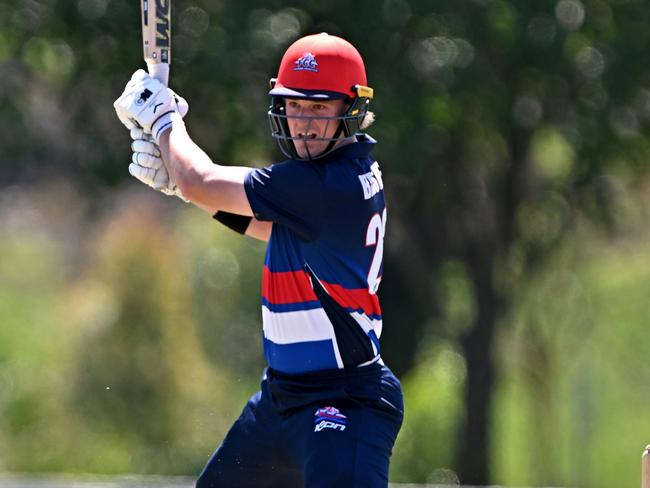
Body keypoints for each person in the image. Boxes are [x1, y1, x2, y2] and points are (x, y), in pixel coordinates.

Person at [114, 32, 403, 488]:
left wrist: (165, 120)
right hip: (281, 399)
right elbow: (269, 227)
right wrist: (181, 186)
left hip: (343, 401)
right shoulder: (338, 175)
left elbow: (200, 178)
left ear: (351, 107)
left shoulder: (323, 185)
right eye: (295, 105)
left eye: (319, 106)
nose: (304, 121)